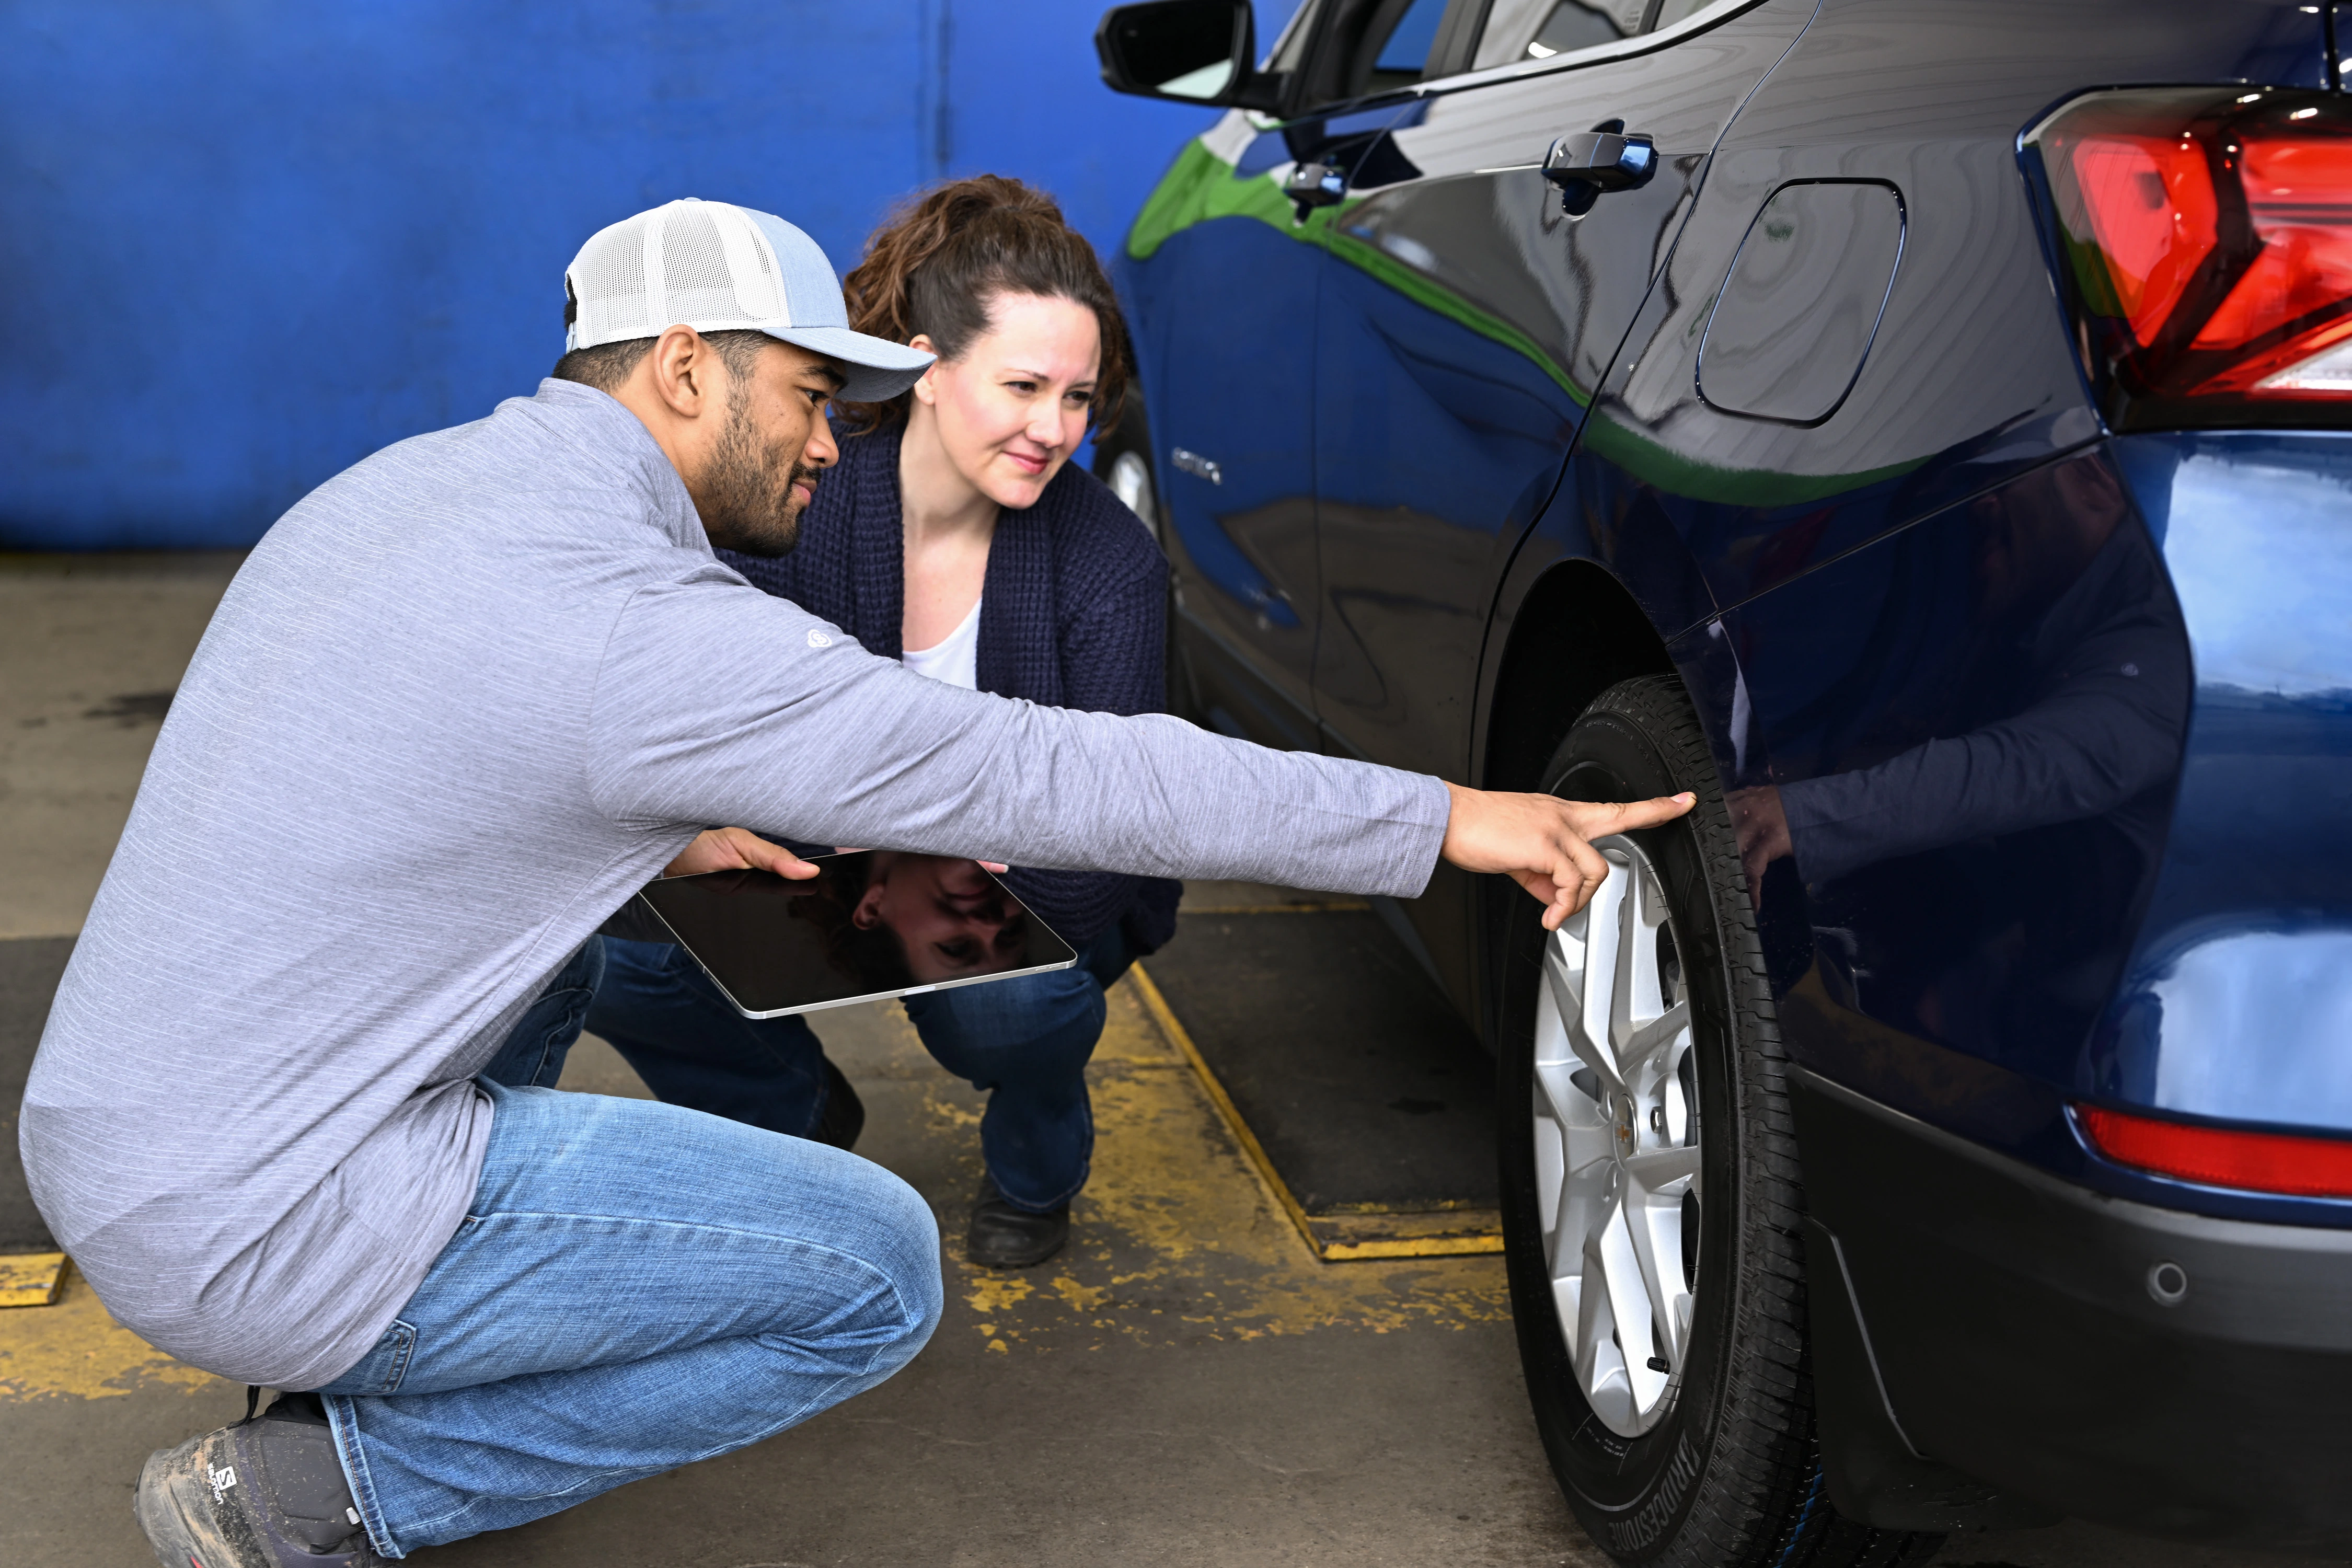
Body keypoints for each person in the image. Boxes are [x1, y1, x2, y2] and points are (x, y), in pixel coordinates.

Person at [19, 197, 1691, 1567]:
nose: (835, 440)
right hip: (265, 1216)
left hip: (124, 1124)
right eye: (810, 395)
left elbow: (407, 760)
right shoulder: (645, 631)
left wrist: (657, 829)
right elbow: (1067, 771)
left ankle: (334, 1361)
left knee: (587, 934)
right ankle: (325, 1493)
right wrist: (1446, 818)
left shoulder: (409, 492)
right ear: (685, 369)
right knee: (872, 1275)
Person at [585, 176, 1178, 1269]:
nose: (1056, 431)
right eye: (1024, 387)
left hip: (1003, 899)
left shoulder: (1111, 566)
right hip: (813, 866)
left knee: (1009, 1011)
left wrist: (933, 859)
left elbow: (1111, 837)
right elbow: (694, 719)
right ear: (928, 370)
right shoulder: (797, 496)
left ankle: (1037, 1166)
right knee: (611, 953)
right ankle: (799, 1117)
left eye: (1081, 399)